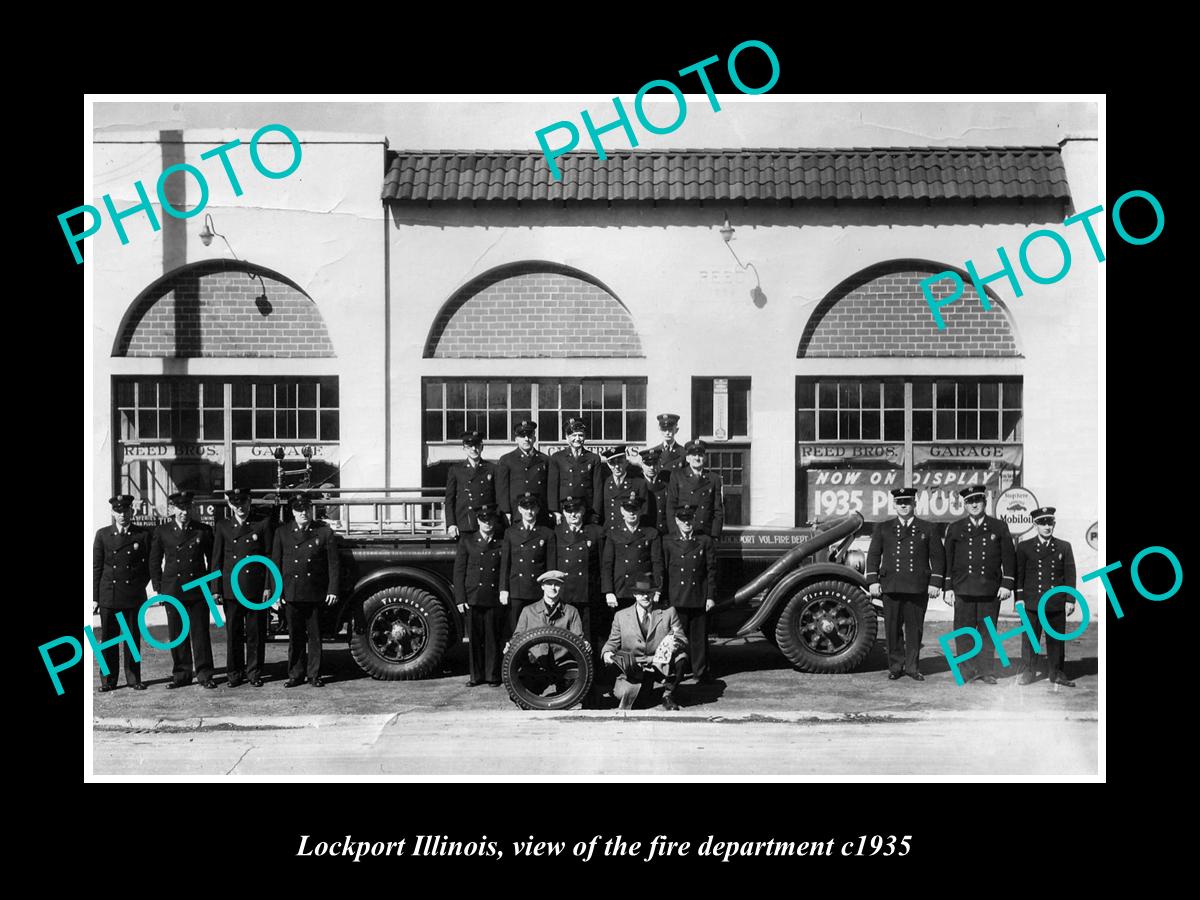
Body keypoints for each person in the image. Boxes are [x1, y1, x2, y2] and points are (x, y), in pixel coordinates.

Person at [865, 488, 945, 682]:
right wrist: (873, 581)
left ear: (914, 504)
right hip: (891, 585)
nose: (903, 505)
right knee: (892, 628)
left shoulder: (928, 528)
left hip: (917, 586)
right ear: (894, 504)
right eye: (899, 502)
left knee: (914, 629)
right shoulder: (883, 528)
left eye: (907, 502)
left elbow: (938, 558)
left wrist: (935, 582)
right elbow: (874, 555)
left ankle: (912, 667)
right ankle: (895, 666)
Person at [943, 485, 1016, 685]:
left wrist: (1007, 584)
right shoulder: (956, 528)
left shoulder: (998, 527)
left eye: (978, 501)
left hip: (989, 589)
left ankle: (986, 671)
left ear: (985, 502)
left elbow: (1009, 558)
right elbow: (947, 560)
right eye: (970, 502)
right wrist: (947, 588)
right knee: (964, 631)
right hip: (963, 588)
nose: (974, 505)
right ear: (965, 505)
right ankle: (967, 671)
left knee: (987, 631)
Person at [149, 491, 216, 689]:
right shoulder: (162, 531)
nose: (184, 512)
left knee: (200, 633)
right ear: (172, 509)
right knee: (177, 633)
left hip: (197, 588)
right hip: (173, 589)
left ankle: (205, 674)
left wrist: (212, 587)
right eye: (180, 508)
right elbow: (155, 561)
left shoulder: (202, 530)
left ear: (192, 508)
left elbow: (212, 560)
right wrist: (159, 588)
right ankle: (181, 674)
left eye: (187, 508)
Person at [271, 494, 339, 687]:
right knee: (295, 636)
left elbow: (333, 564)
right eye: (300, 510)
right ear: (293, 512)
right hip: (292, 592)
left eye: (307, 509)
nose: (304, 513)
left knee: (315, 636)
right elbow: (275, 565)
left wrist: (332, 589)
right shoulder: (282, 532)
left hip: (315, 592)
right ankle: (295, 674)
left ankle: (314, 674)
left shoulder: (324, 532)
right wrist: (276, 593)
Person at [211, 487, 275, 687]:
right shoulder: (222, 526)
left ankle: (254, 673)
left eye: (244, 503)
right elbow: (217, 560)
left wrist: (268, 586)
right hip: (232, 588)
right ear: (230, 504)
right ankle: (234, 674)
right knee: (234, 633)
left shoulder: (262, 524)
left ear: (250, 502)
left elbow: (269, 557)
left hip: (255, 588)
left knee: (256, 633)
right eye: (236, 503)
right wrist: (216, 589)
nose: (240, 507)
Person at [602, 577, 689, 710]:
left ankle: (668, 695)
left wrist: (672, 644)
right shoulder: (621, 616)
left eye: (649, 593)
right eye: (641, 593)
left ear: (654, 594)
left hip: (660, 664)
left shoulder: (668, 612)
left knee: (681, 657)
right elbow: (611, 643)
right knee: (628, 699)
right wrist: (607, 653)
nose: (645, 597)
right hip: (634, 667)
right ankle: (643, 689)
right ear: (634, 594)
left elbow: (682, 639)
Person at [92, 495, 151, 692]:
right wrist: (95, 598)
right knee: (108, 639)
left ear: (132, 512)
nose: (122, 515)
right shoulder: (102, 535)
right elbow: (96, 568)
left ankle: (134, 678)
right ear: (112, 513)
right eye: (118, 511)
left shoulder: (142, 535)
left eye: (126, 511)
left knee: (132, 638)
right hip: (109, 595)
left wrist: (138, 586)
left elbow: (149, 566)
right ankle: (108, 680)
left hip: (133, 595)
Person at [1016, 507, 1078, 687]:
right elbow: (1019, 575)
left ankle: (1056, 672)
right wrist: (1019, 599)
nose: (1046, 527)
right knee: (1029, 639)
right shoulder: (1024, 547)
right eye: (1042, 523)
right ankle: (1028, 672)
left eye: (1049, 523)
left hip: (1055, 602)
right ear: (1035, 525)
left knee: (1056, 640)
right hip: (1032, 602)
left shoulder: (1063, 546)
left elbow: (1070, 574)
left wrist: (1070, 599)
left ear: (1054, 524)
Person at [506, 570, 588, 697]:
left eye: (557, 584)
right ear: (542, 586)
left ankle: (556, 698)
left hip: (562, 663)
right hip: (536, 663)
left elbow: (578, 638)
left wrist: (585, 644)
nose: (553, 588)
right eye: (549, 584)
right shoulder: (528, 611)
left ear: (561, 587)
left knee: (580, 690)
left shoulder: (571, 612)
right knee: (518, 693)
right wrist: (510, 645)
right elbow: (518, 637)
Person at [662, 504, 718, 683]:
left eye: (690, 519)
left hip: (698, 596)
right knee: (676, 638)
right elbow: (663, 571)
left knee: (699, 638)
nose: (687, 523)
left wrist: (710, 597)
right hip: (677, 598)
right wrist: (663, 598)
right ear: (677, 521)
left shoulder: (704, 541)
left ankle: (700, 672)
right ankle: (675, 671)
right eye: (683, 520)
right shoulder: (668, 542)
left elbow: (711, 571)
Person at [453, 503, 506, 687]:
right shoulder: (467, 541)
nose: (487, 523)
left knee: (492, 637)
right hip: (473, 595)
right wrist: (460, 598)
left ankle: (493, 676)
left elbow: (503, 571)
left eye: (490, 520)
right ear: (478, 521)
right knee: (475, 639)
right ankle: (475, 676)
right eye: (484, 520)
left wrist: (502, 592)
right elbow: (459, 571)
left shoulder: (501, 542)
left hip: (492, 597)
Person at [554, 496, 606, 655]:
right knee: (564, 630)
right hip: (565, 592)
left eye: (576, 511)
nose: (573, 515)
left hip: (587, 592)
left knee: (588, 632)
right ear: (563, 513)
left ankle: (590, 669)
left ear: (583, 511)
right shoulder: (556, 533)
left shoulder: (595, 532)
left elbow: (603, 563)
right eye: (569, 511)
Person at [500, 492, 556, 633]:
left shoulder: (547, 533)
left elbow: (550, 565)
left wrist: (550, 588)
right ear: (519, 509)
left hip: (536, 589)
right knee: (517, 630)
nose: (529, 512)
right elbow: (505, 564)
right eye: (525, 508)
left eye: (532, 508)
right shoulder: (510, 532)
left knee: (539, 630)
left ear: (537, 509)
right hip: (517, 589)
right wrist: (503, 589)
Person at [547, 418, 603, 525]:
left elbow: (597, 488)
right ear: (567, 438)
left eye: (580, 435)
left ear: (585, 437)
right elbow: (552, 488)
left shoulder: (593, 458)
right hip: (565, 510)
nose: (577, 439)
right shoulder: (557, 458)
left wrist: (595, 513)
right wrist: (554, 511)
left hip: (585, 509)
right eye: (573, 435)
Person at [666, 439, 725, 538]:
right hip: (684, 533)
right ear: (688, 458)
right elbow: (671, 507)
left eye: (700, 455)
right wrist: (674, 533)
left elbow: (718, 511)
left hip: (705, 534)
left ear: (705, 458)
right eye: (693, 455)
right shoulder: (677, 476)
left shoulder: (714, 478)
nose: (697, 458)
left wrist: (715, 536)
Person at [496, 419, 550, 526]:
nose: (526, 439)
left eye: (529, 436)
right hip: (516, 512)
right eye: (522, 436)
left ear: (534, 438)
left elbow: (549, 488)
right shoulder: (506, 460)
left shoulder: (545, 460)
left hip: (539, 512)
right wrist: (505, 511)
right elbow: (502, 490)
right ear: (516, 439)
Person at [444, 430, 496, 538]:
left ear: (482, 447)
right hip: (464, 523)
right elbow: (450, 500)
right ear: (463, 448)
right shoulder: (456, 470)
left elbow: (498, 497)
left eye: (477, 445)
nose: (473, 449)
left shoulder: (492, 468)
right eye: (469, 446)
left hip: (486, 523)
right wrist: (451, 524)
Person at [638, 413, 686, 532]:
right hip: (656, 499)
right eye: (664, 429)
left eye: (670, 429)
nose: (668, 433)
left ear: (677, 429)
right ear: (660, 429)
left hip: (674, 500)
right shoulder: (653, 452)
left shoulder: (683, 453)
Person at [596, 445, 650, 529]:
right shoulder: (605, 483)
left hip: (630, 531)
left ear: (626, 462)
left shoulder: (639, 483)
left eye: (620, 462)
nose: (617, 467)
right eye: (612, 463)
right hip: (610, 531)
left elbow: (644, 512)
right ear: (608, 464)